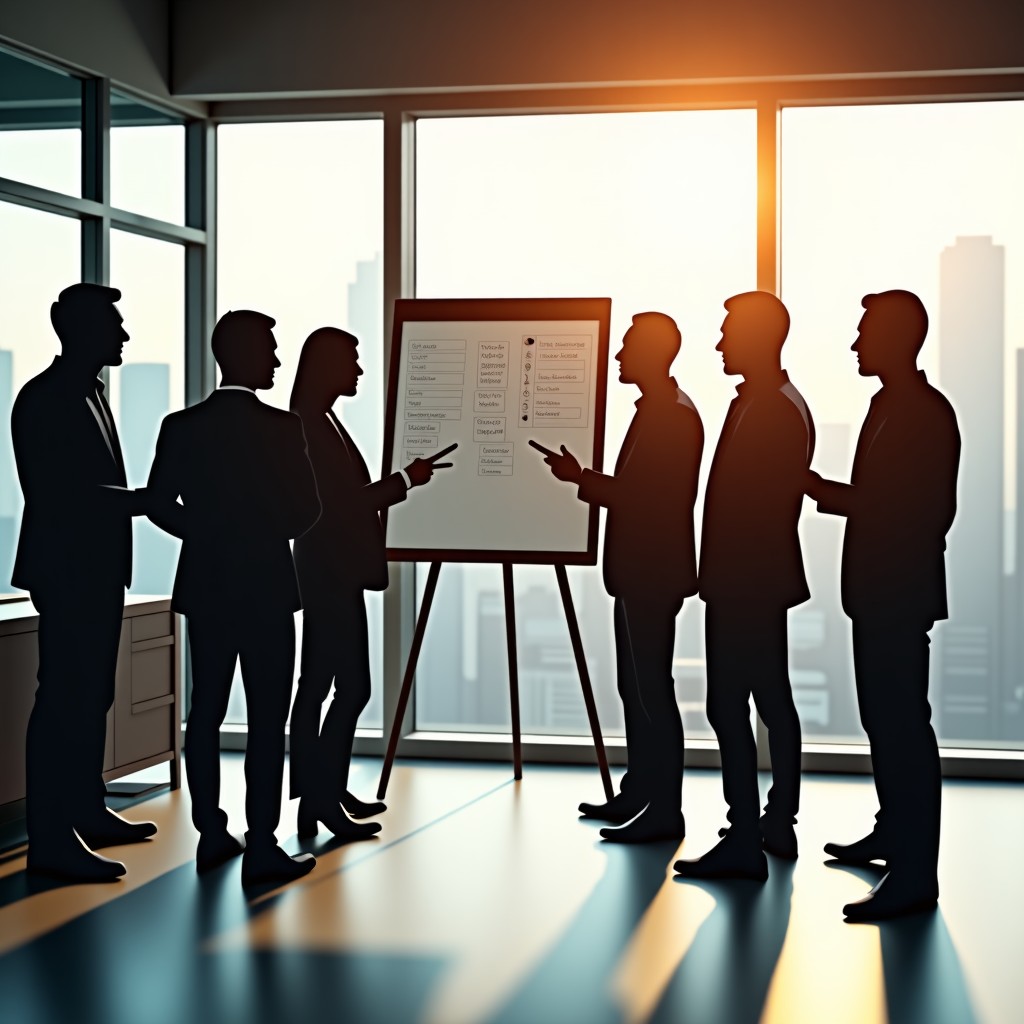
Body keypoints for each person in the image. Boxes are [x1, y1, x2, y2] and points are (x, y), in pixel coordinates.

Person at [147, 310, 321, 886]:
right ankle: (263, 843)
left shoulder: (180, 425)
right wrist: (258, 531)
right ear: (245, 355)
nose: (276, 360)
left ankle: (211, 833)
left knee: (205, 714)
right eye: (270, 350)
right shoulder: (282, 427)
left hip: (207, 586)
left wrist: (206, 533)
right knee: (268, 720)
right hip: (268, 590)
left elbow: (157, 503)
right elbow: (307, 512)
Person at [806, 290, 960, 921]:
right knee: (884, 724)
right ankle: (893, 836)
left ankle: (916, 875)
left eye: (865, 332)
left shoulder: (925, 414)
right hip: (875, 592)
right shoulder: (888, 407)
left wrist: (827, 495)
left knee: (902, 729)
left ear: (897, 338)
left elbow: (925, 512)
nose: (855, 344)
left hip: (898, 593)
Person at [11, 283, 157, 882]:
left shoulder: (90, 394)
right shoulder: (45, 399)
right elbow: (60, 495)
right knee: (65, 701)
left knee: (90, 696)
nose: (123, 335)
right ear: (74, 328)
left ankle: (86, 811)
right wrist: (143, 501)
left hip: (94, 573)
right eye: (113, 324)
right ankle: (51, 839)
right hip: (68, 573)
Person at [538, 311, 702, 843]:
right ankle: (641, 792)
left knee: (652, 689)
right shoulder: (659, 411)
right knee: (634, 687)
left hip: (652, 571)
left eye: (628, 346)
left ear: (655, 353)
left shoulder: (673, 417)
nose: (618, 356)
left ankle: (664, 810)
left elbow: (648, 499)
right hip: (637, 570)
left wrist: (580, 479)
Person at [288, 328, 452, 838]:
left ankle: (322, 793)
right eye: (351, 363)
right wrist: (405, 481)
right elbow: (340, 506)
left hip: (331, 573)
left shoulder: (321, 420)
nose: (358, 373)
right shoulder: (309, 426)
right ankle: (321, 798)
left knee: (321, 686)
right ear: (327, 367)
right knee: (345, 686)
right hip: (328, 574)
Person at [675, 291, 814, 881]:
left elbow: (756, 505)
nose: (720, 342)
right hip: (751, 580)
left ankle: (747, 835)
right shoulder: (771, 402)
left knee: (733, 705)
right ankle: (773, 822)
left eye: (730, 331)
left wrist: (724, 577)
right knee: (768, 700)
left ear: (758, 338)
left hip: (746, 582)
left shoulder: (774, 409)